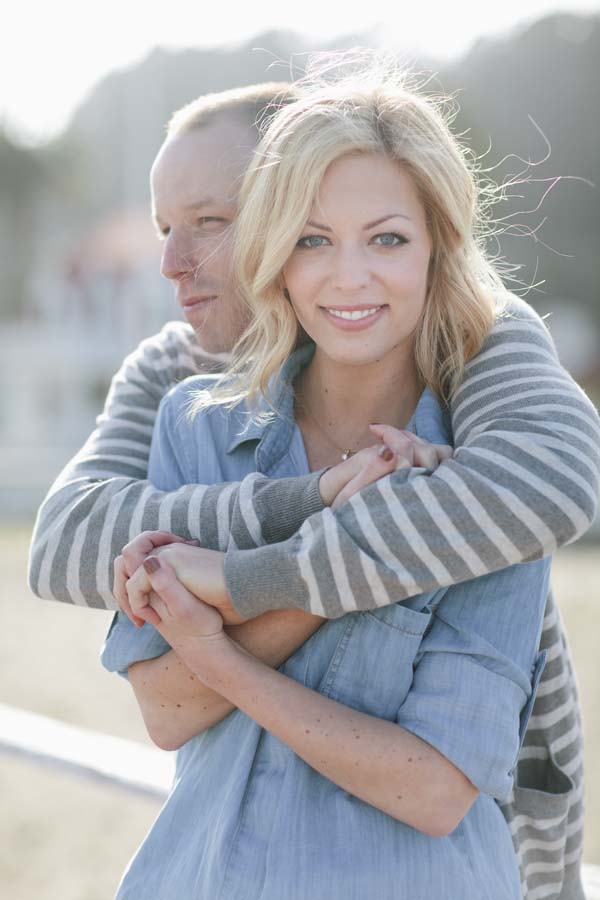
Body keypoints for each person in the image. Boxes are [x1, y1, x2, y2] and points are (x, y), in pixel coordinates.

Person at [28, 81, 598, 898]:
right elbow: (154, 692)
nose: (171, 264)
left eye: (209, 221)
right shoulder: (183, 398)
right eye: (313, 238)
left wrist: (228, 604)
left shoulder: (481, 456)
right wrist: (314, 514)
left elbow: (436, 788)